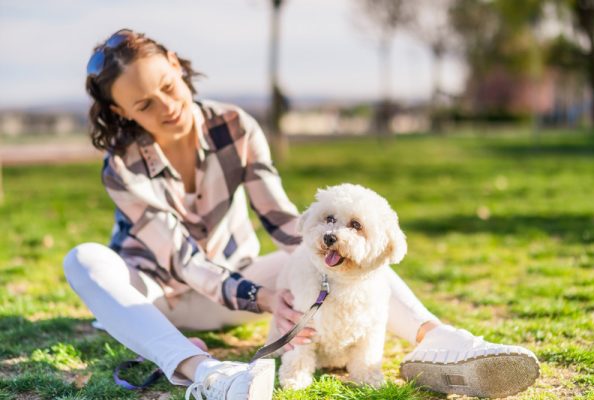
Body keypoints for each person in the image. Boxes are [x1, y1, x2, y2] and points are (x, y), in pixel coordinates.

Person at [63, 29, 540, 400]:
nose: (168, 107)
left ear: (175, 65)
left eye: (169, 86)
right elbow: (183, 260)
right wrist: (264, 297)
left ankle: (441, 341)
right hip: (159, 300)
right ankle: (207, 373)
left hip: (239, 287)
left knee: (345, 259)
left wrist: (329, 242)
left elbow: (286, 223)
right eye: (144, 104)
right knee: (84, 260)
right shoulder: (121, 167)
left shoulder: (235, 125)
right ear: (119, 111)